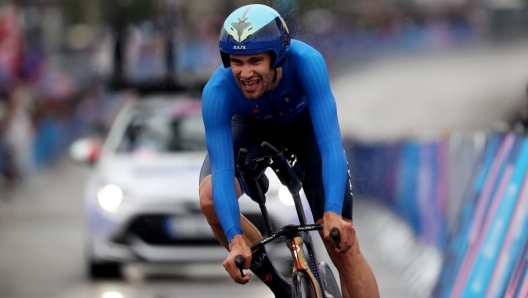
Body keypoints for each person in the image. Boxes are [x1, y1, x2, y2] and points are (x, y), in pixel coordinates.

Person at [198, 4, 380, 298]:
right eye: (236, 62)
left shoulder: (307, 62)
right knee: (209, 198)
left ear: (278, 56)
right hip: (251, 130)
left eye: (255, 60)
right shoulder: (217, 92)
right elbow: (221, 171)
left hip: (303, 130)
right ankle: (281, 289)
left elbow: (331, 143)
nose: (245, 73)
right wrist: (235, 239)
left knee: (342, 244)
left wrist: (332, 213)